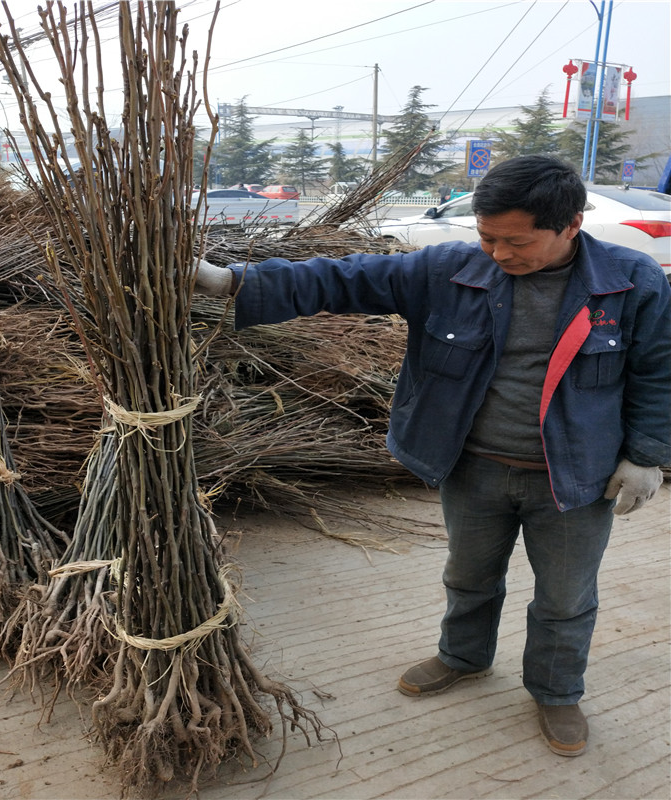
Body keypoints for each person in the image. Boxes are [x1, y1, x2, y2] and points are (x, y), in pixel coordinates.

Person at [194, 155, 671, 757]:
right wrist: (229, 280)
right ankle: (463, 657)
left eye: (516, 241)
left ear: (571, 224)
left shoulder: (630, 282)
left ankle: (556, 691)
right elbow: (345, 279)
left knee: (565, 596)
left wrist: (647, 455)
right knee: (468, 577)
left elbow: (658, 371)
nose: (498, 253)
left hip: (574, 478)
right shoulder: (448, 269)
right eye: (487, 236)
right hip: (473, 466)